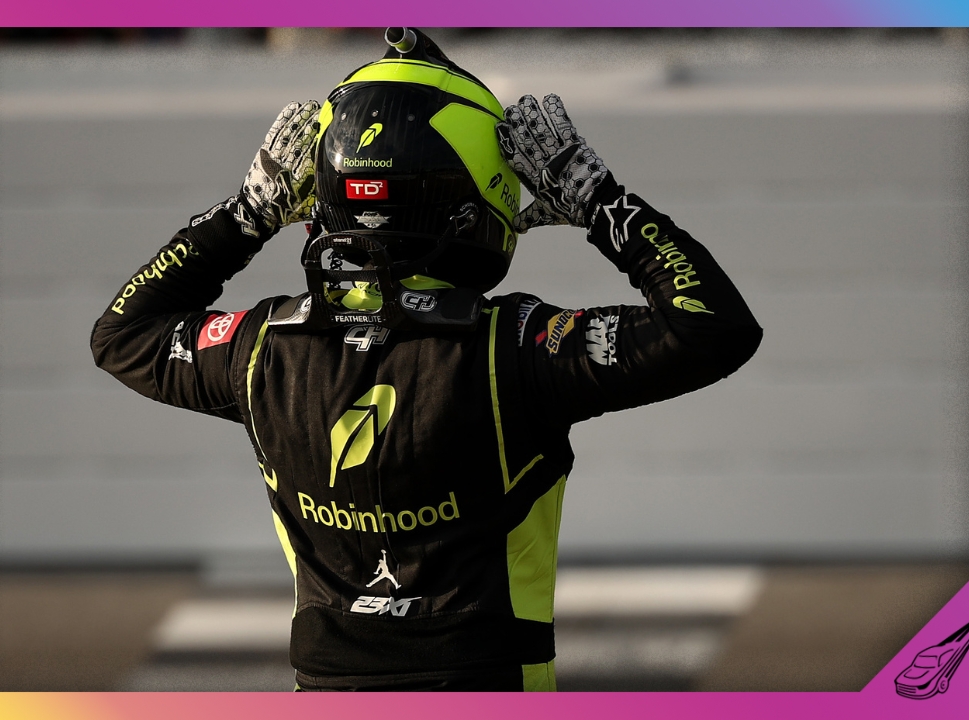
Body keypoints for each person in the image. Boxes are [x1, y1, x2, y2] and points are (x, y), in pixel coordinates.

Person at [91, 28, 762, 691]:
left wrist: (245, 215)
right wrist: (598, 200)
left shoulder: (263, 345)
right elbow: (713, 327)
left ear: (321, 189)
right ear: (473, 200)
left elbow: (122, 333)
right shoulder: (512, 347)